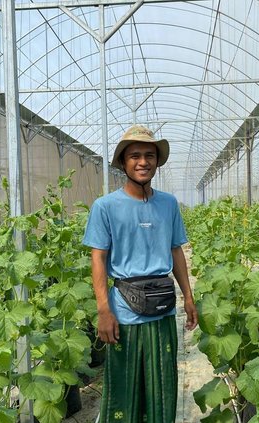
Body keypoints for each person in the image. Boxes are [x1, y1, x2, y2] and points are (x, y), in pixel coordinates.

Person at [82, 125, 198, 423]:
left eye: (149, 155)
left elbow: (176, 252)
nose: (143, 161)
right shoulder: (105, 207)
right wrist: (104, 311)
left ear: (157, 162)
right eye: (135, 156)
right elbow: (98, 258)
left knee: (162, 388)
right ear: (123, 162)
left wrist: (189, 297)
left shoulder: (168, 203)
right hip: (124, 311)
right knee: (124, 389)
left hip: (162, 310)